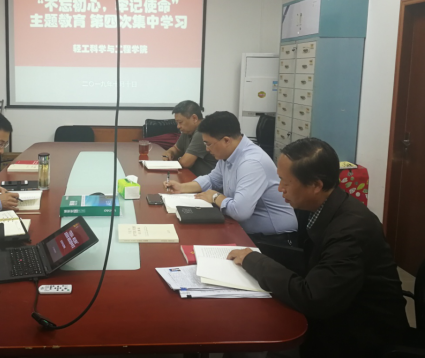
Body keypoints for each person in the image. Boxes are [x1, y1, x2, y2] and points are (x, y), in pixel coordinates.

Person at [228, 138, 409, 358]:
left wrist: (255, 261)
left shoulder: (351, 229)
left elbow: (314, 299)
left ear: (316, 185)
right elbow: (307, 259)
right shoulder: (319, 206)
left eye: (285, 181)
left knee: (257, 337)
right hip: (337, 310)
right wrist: (254, 252)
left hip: (362, 334)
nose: (280, 188)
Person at [164, 111, 297, 244]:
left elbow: (240, 211)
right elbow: (212, 179)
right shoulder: (228, 154)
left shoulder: (251, 162)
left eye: (208, 144)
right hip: (243, 230)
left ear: (226, 140)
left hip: (272, 240)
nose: (207, 149)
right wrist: (182, 187)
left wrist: (215, 197)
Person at [162, 100, 217, 176]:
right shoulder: (188, 131)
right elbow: (176, 149)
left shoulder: (203, 132)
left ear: (194, 118)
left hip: (207, 180)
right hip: (193, 176)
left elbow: (185, 163)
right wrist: (169, 153)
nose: (178, 126)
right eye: (177, 123)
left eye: (180, 122)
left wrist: (178, 158)